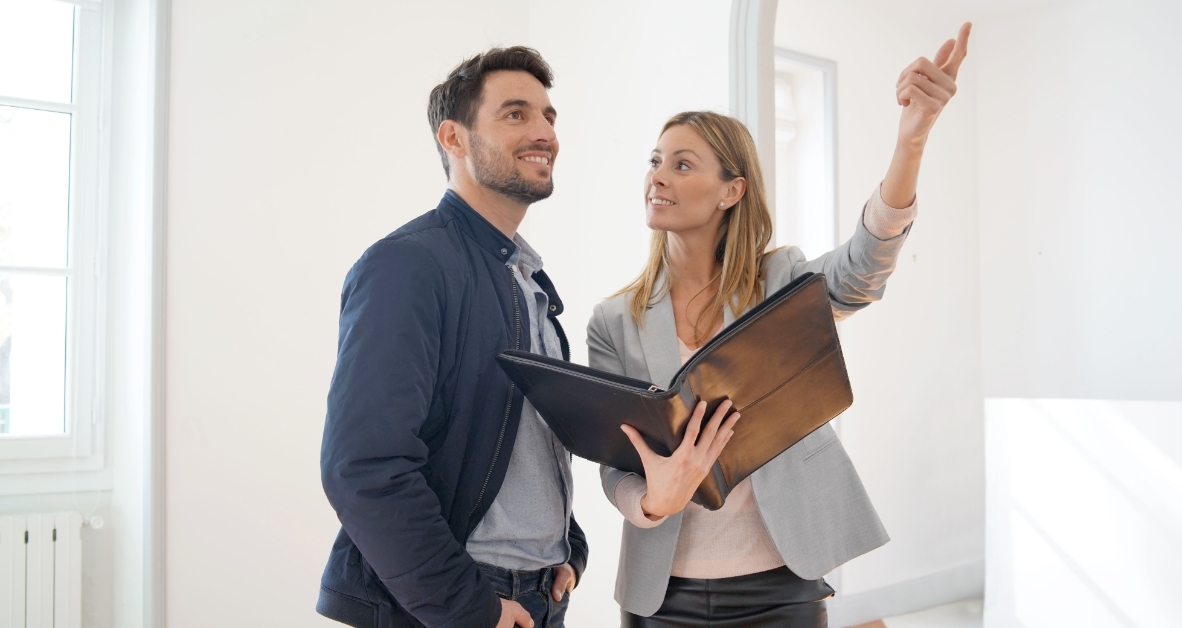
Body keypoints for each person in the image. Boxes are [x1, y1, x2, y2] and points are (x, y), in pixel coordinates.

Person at [586, 24, 971, 627]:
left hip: (781, 586)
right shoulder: (614, 321)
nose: (657, 175)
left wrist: (911, 142)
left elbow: (861, 271)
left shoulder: (777, 280)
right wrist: (650, 500)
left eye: (682, 164)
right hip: (662, 596)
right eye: (655, 161)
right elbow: (612, 460)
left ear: (731, 191)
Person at [317, 46, 586, 628]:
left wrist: (566, 544)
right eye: (516, 114)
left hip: (537, 596)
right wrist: (471, 607)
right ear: (454, 138)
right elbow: (363, 467)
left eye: (549, 116)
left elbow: (515, 441)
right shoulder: (407, 265)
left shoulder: (528, 278)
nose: (544, 131)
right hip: (454, 601)